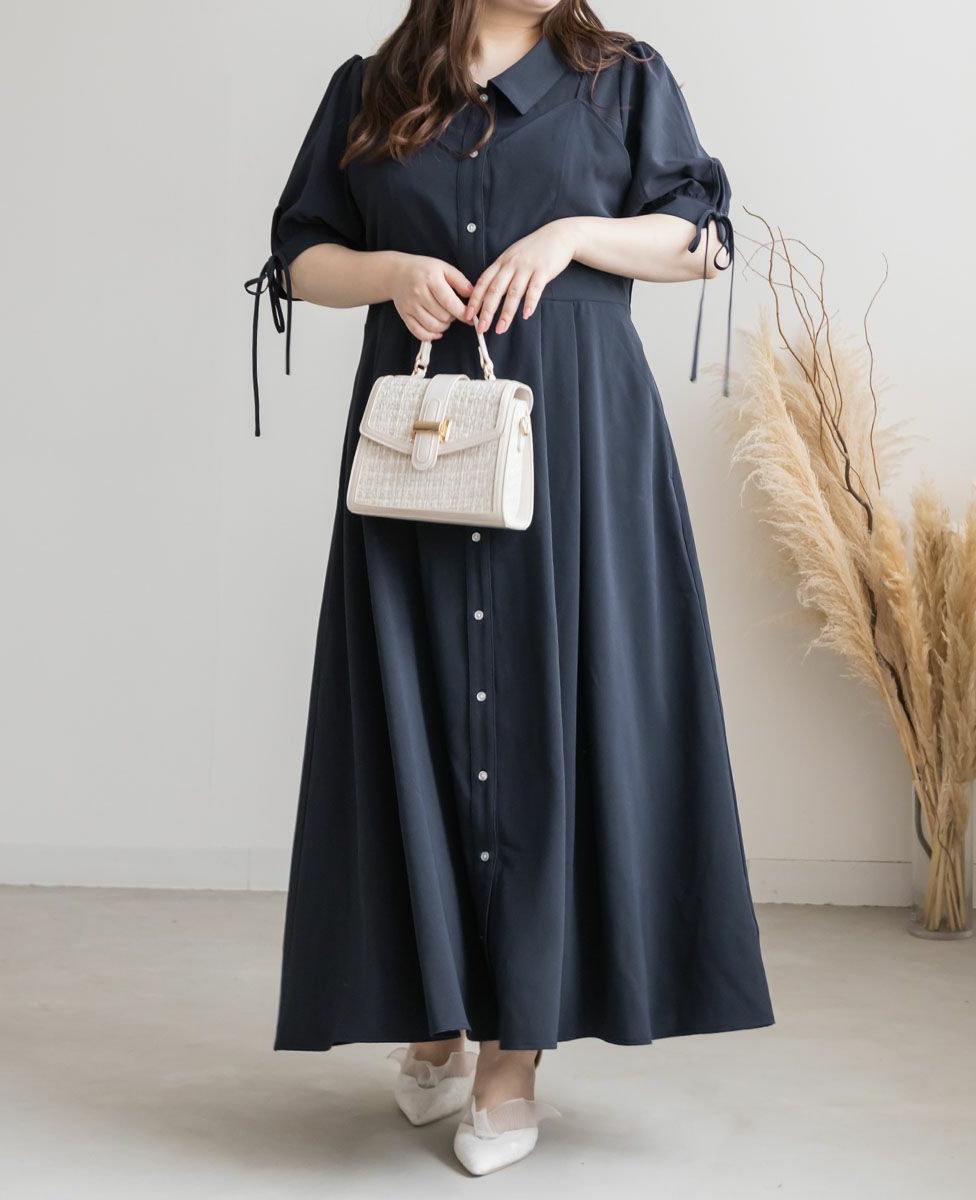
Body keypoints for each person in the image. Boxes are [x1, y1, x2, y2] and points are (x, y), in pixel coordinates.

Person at [244, 0, 774, 1176]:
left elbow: (703, 242)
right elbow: (300, 254)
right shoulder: (371, 85)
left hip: (580, 446)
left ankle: (512, 1055)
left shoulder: (623, 80)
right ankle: (433, 1017)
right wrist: (389, 272)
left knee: (549, 716)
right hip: (420, 445)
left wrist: (573, 236)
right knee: (418, 716)